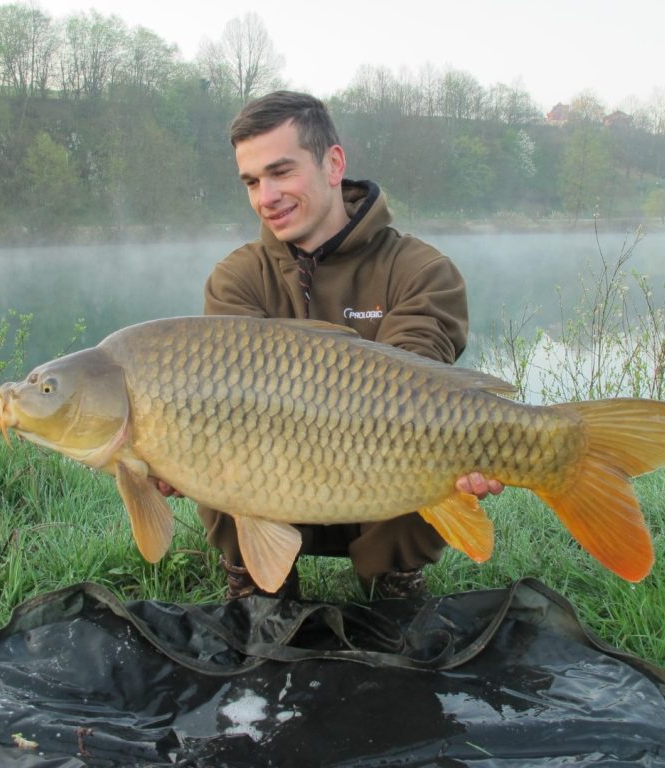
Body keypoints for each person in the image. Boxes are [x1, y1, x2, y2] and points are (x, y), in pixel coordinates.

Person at [159, 90, 503, 600]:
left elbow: (418, 392)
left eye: (281, 172)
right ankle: (258, 588)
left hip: (382, 485)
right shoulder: (238, 278)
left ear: (334, 164)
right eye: (251, 182)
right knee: (217, 447)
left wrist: (482, 442)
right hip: (274, 485)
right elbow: (227, 398)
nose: (266, 197)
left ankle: (390, 584)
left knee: (428, 445)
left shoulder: (421, 271)